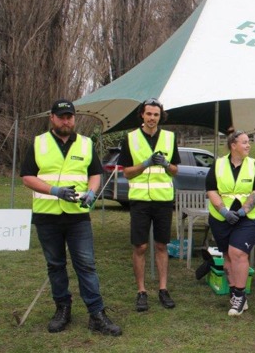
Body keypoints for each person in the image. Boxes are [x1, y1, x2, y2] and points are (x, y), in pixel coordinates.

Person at [20, 99, 122, 336]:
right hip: (47, 215)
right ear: (52, 118)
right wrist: (54, 191)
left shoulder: (86, 143)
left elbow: (95, 173)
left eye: (70, 116)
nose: (66, 120)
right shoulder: (39, 143)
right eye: (62, 116)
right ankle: (62, 309)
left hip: (77, 216)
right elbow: (27, 177)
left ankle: (97, 314)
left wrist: (92, 193)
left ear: (74, 118)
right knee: (55, 265)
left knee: (86, 265)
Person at [118, 98, 180, 312]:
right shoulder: (131, 138)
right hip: (140, 200)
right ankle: (141, 291)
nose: (152, 118)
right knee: (140, 246)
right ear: (142, 115)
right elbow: (126, 172)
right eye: (149, 114)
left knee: (162, 245)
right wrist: (144, 164)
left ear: (160, 116)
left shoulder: (170, 138)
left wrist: (166, 165)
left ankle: (163, 289)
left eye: (156, 114)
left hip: (163, 199)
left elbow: (175, 170)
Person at [206, 130, 255, 316]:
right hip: (221, 218)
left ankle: (240, 295)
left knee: (237, 252)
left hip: (247, 218)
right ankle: (234, 292)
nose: (248, 145)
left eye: (249, 142)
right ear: (233, 145)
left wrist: (242, 211)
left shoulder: (254, 165)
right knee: (227, 256)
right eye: (245, 142)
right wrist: (224, 211)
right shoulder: (218, 164)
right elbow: (211, 190)